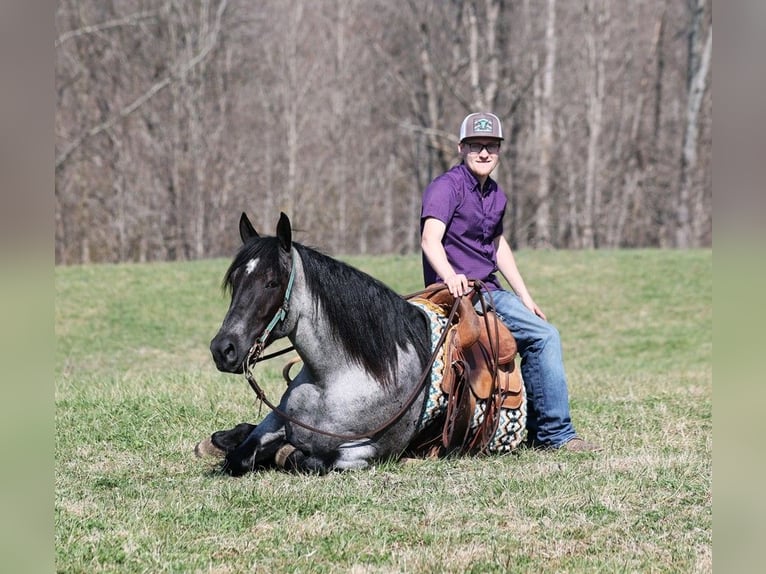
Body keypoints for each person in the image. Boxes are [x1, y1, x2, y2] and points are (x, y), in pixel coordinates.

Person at [420, 112, 601, 452]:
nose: (484, 153)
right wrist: (450, 277)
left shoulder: (495, 195)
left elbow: (497, 245)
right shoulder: (446, 188)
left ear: (500, 150)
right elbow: (430, 239)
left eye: (491, 146)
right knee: (546, 337)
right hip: (462, 293)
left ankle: (539, 429)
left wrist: (525, 296)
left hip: (491, 291)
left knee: (539, 328)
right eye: (476, 145)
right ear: (461, 147)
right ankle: (555, 435)